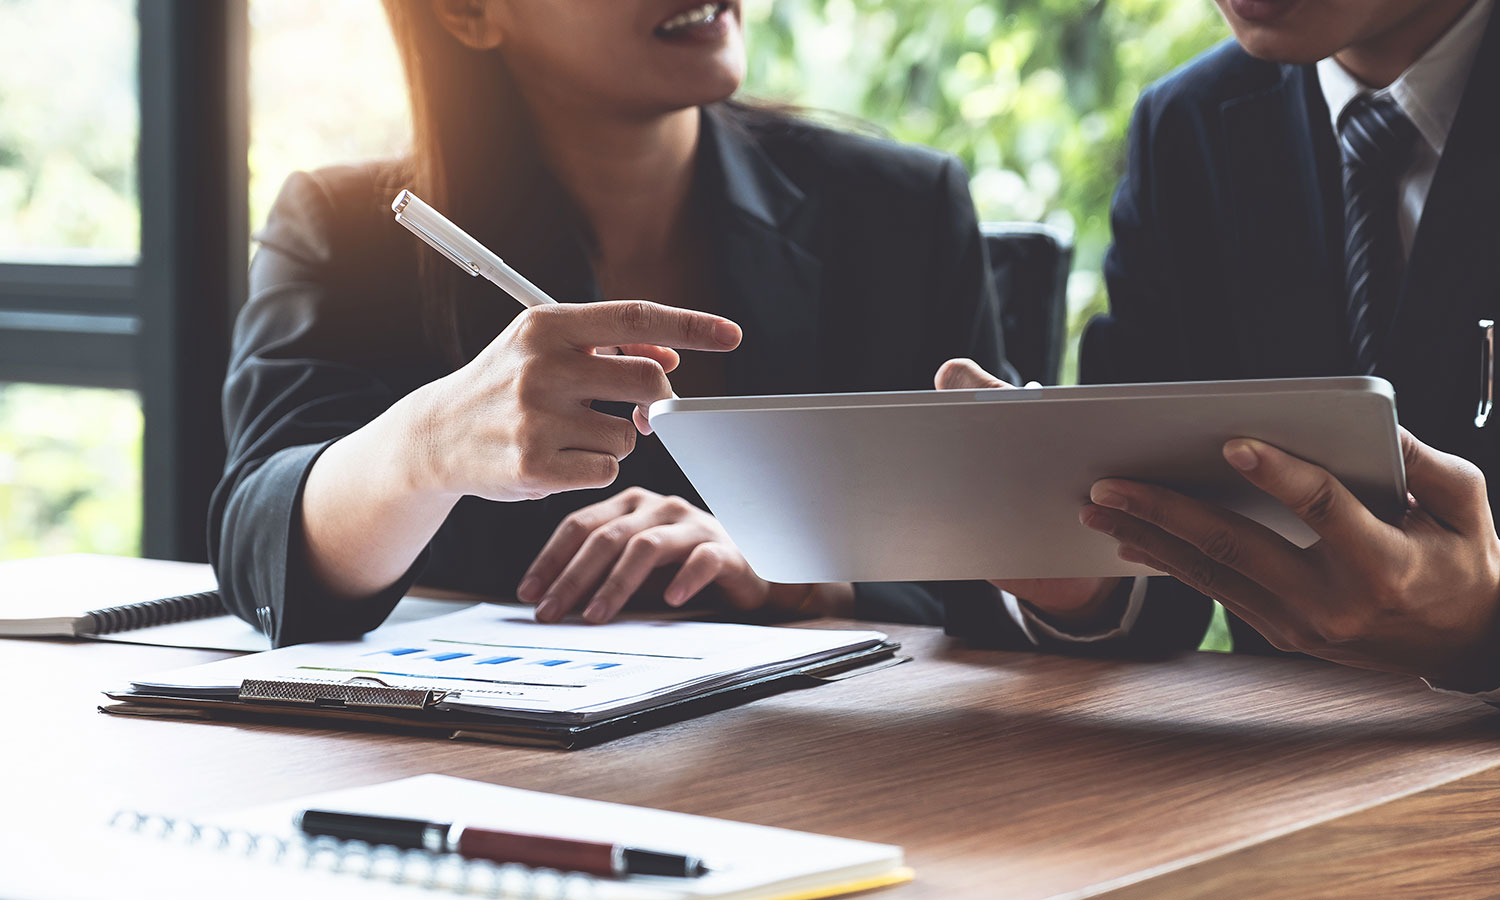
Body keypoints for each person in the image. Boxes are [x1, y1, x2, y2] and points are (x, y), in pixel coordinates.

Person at [211, 0, 1010, 646]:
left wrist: (803, 575)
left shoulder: (901, 212)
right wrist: (425, 447)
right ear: (467, 12)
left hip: (839, 764)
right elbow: (259, 554)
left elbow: (1016, 567)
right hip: (486, 766)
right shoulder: (348, 230)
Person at [938, 0, 1500, 701]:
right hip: (1274, 766)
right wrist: (1089, 574)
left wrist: (1486, 635)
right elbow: (1163, 580)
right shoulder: (1190, 124)